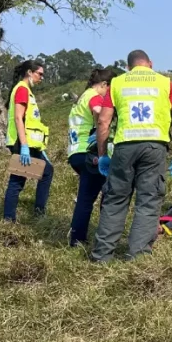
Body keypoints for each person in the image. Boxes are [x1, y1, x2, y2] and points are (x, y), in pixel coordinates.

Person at [90, 50, 172, 262]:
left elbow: (103, 122)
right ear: (150, 64)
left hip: (124, 148)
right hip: (155, 148)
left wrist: (103, 153)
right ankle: (138, 256)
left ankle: (101, 257)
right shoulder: (165, 83)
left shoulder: (116, 84)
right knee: (148, 201)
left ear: (128, 67)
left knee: (115, 200)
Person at [66, 68, 116, 247]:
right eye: (110, 89)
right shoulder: (94, 97)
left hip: (75, 152)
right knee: (94, 197)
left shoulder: (81, 97)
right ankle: (85, 239)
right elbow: (100, 113)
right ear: (103, 85)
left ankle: (79, 237)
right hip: (88, 152)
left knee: (93, 194)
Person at [2, 60, 53, 222]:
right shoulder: (22, 90)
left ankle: (22, 215)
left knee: (43, 172)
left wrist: (40, 150)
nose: (41, 77)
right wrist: (24, 146)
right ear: (29, 73)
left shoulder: (26, 91)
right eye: (40, 74)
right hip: (21, 143)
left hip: (29, 144)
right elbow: (18, 118)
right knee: (18, 180)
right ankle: (12, 218)